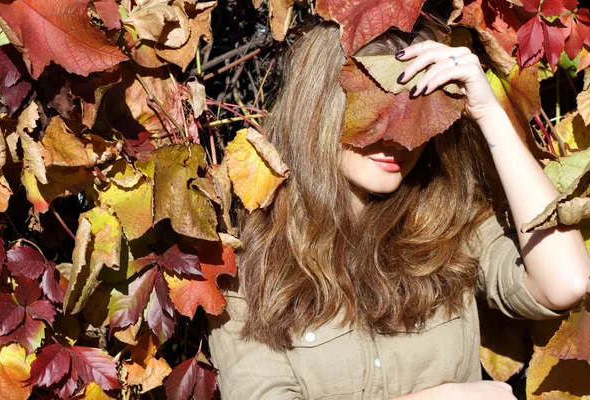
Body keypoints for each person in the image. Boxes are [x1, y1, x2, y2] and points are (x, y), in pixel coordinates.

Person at [207, 20, 590, 399]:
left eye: (415, 118)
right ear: (318, 113)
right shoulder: (249, 257)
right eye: (373, 117)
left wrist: (490, 115)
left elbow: (566, 282)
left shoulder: (445, 222)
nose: (397, 141)